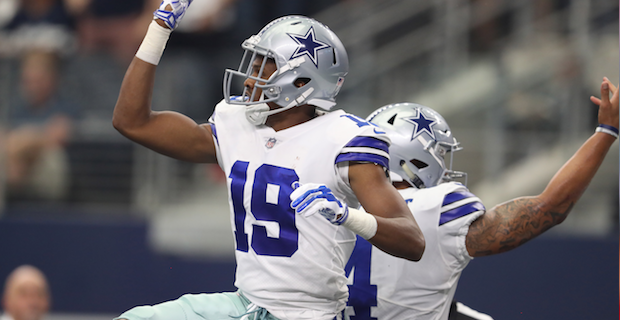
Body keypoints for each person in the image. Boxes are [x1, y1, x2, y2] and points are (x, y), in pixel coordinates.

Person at [112, 1, 425, 319]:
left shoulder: (342, 140)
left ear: (302, 82)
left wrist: (347, 216)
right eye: (254, 65)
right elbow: (132, 122)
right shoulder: (237, 123)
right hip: (246, 304)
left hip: (304, 314)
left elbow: (412, 241)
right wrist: (159, 29)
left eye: (264, 68)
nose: (249, 79)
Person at [343, 77, 619, 320]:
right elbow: (551, 207)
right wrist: (606, 132)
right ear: (413, 158)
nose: (444, 165)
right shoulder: (437, 208)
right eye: (439, 153)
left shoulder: (333, 206)